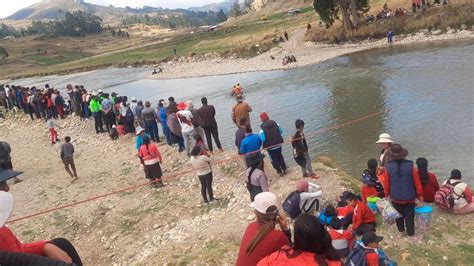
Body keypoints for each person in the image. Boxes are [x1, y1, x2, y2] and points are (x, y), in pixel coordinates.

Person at [0, 172, 83, 265]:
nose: (7, 187)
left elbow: (18, 250)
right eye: (1, 184)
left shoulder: (3, 229)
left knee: (61, 244)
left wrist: (45, 247)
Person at [258, 214, 341, 266]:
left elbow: (261, 264)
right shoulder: (333, 262)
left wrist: (286, 230)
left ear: (297, 238)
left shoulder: (282, 254)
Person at [380, 144, 423, 241]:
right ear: (403, 155)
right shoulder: (410, 166)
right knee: (409, 215)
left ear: (391, 155)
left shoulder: (388, 167)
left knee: (398, 215)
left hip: (395, 196)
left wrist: (387, 195)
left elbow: (387, 184)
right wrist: (420, 195)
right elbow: (417, 183)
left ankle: (401, 231)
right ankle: (411, 235)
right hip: (409, 196)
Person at [236, 192, 291, 266]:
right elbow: (290, 255)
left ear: (256, 212)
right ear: (277, 213)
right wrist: (285, 229)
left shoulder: (251, 226)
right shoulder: (278, 236)